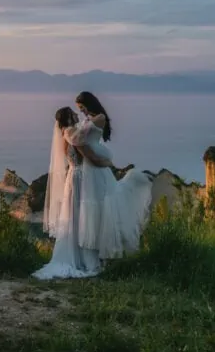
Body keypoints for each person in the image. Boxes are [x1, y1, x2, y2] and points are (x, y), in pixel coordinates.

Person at [32, 93, 153, 280]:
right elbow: (89, 154)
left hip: (75, 179)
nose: (78, 113)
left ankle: (81, 256)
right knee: (85, 217)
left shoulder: (71, 133)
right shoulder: (73, 135)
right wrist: (107, 163)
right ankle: (88, 260)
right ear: (69, 118)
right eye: (75, 112)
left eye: (80, 108)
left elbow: (85, 144)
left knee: (76, 217)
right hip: (82, 178)